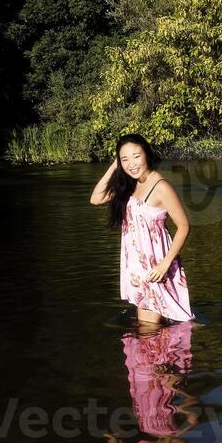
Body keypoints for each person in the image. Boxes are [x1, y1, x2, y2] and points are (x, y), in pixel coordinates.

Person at [89, 133, 196, 327]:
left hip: (156, 265)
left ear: (147, 154)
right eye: (125, 159)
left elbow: (183, 226)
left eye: (136, 156)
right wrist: (115, 166)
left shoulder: (160, 186)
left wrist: (164, 264)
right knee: (151, 328)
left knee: (154, 327)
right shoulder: (129, 184)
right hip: (138, 266)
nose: (132, 164)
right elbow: (95, 198)